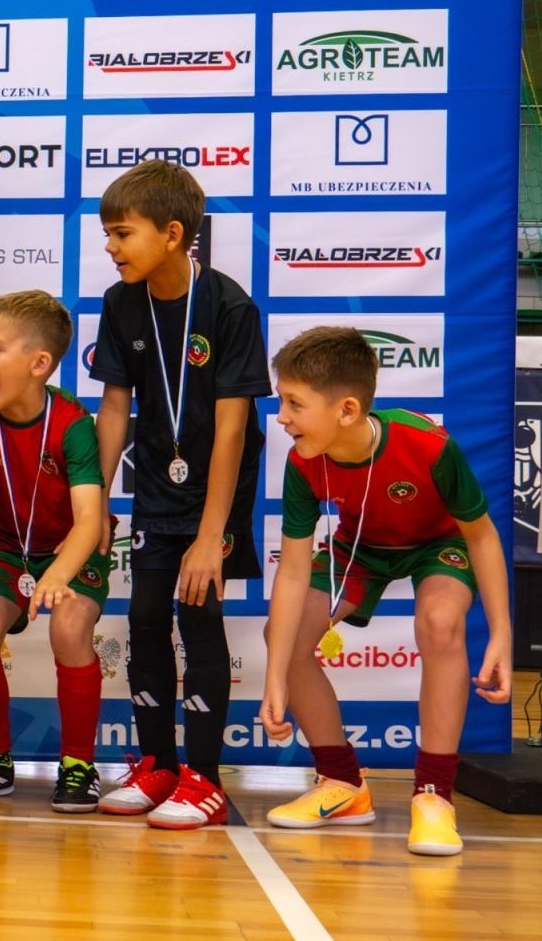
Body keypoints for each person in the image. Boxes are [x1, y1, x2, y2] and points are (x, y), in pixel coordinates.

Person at [261, 326, 512, 857]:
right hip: (362, 549)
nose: (281, 416)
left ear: (346, 410)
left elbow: (482, 537)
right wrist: (274, 678)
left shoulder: (428, 445)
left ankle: (433, 796)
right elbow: (292, 571)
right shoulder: (304, 461)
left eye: (293, 404)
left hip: (438, 544)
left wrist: (502, 634)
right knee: (285, 634)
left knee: (440, 623)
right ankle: (343, 785)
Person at [91, 159, 269, 829]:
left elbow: (232, 432)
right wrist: (97, 501)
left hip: (214, 495)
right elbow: (114, 407)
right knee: (142, 619)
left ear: (172, 234)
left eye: (121, 233)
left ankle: (204, 778)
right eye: (107, 234)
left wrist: (210, 535)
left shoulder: (229, 307)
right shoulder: (120, 302)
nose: (110, 246)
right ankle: (158, 762)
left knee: (198, 619)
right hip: (154, 491)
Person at [0, 291, 108, 814]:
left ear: (39, 364)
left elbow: (90, 520)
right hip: (10, 546)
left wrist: (59, 575)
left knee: (69, 628)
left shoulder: (73, 423)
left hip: (70, 547)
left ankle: (78, 765)